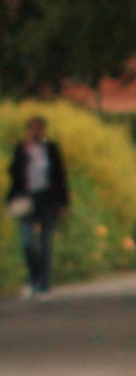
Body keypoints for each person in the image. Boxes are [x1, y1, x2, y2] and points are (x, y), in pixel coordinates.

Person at [8, 117, 71, 299]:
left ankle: (43, 282)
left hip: (47, 200)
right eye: (32, 129)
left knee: (45, 243)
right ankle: (33, 277)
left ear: (43, 130)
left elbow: (60, 176)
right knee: (27, 242)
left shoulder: (51, 149)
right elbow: (13, 174)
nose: (36, 133)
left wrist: (63, 203)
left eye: (39, 129)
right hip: (26, 200)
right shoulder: (22, 149)